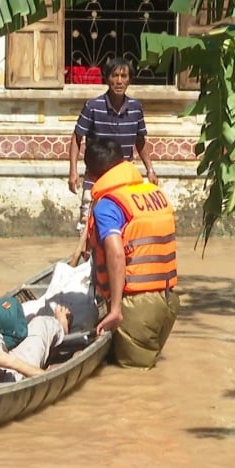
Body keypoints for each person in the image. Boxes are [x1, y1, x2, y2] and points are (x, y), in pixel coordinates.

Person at [84, 138, 180, 368]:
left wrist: (115, 309)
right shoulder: (154, 194)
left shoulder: (109, 205)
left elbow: (116, 254)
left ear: (92, 175)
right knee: (149, 372)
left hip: (136, 305)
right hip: (167, 299)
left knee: (133, 381)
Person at [68, 57, 155, 231]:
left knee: (125, 224)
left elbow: (140, 141)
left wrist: (150, 170)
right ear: (107, 78)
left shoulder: (136, 108)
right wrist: (73, 171)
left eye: (124, 76)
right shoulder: (93, 106)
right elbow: (77, 138)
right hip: (96, 176)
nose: (119, 81)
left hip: (125, 176)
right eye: (115, 76)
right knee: (88, 225)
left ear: (129, 79)